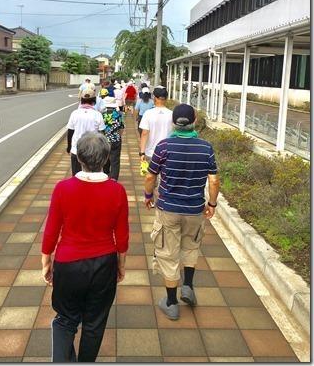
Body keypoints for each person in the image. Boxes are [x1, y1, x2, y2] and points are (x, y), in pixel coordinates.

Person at [42, 132, 129, 362]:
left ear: (79, 158)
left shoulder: (63, 188)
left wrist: (46, 261)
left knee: (65, 319)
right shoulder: (117, 191)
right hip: (104, 263)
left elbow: (51, 229)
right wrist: (120, 264)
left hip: (68, 262)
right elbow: (122, 235)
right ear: (106, 158)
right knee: (94, 323)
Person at [144, 104, 219, 321]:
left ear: (173, 122)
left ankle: (171, 302)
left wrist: (148, 196)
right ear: (194, 120)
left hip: (168, 210)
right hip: (195, 210)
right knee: (190, 247)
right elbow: (213, 180)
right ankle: (187, 286)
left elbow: (151, 177)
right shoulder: (206, 147)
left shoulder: (164, 146)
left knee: (168, 253)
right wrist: (212, 204)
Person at [66, 88, 105, 175]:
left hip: (76, 149)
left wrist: (69, 147)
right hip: (93, 150)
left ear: (82, 100)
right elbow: (102, 133)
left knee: (76, 175)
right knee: (92, 175)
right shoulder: (97, 115)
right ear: (94, 100)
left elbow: (70, 132)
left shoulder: (75, 113)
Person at [139, 86, 173, 162]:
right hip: (167, 151)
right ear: (166, 98)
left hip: (151, 152)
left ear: (154, 97)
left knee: (151, 173)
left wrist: (142, 152)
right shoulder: (172, 114)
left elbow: (145, 133)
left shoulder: (148, 113)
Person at [102, 96, 124, 180]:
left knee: (105, 157)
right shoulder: (119, 114)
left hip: (104, 139)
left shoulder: (102, 114)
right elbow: (121, 128)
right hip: (116, 139)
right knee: (115, 160)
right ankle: (114, 178)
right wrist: (118, 136)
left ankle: (106, 173)